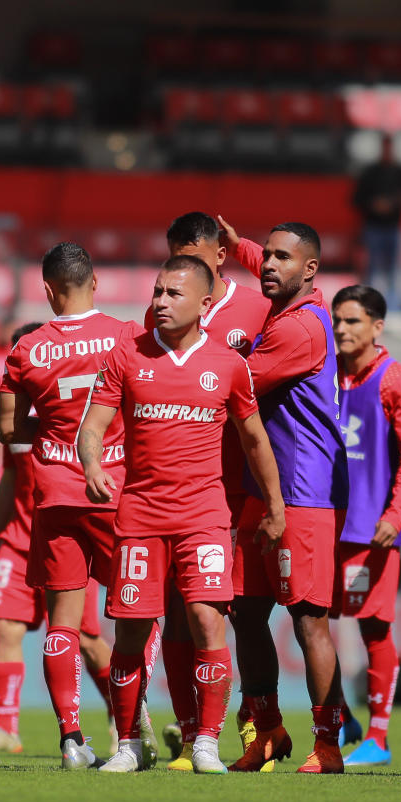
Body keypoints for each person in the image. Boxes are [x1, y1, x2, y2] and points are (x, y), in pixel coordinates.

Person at [79, 256, 285, 774]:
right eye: (157, 291)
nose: (160, 302)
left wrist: (276, 506)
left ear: (204, 304)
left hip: (204, 517)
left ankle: (206, 744)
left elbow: (255, 439)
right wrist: (92, 464)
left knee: (205, 623)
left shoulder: (229, 365)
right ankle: (129, 744)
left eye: (173, 293)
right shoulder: (127, 356)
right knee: (130, 632)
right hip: (140, 516)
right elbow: (92, 425)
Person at [0, 242, 157, 770]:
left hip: (55, 493)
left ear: (47, 290)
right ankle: (131, 727)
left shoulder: (27, 350)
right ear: (94, 283)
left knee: (63, 624)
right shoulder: (127, 336)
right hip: (116, 491)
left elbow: (8, 429)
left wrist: (53, 433)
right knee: (141, 612)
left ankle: (71, 738)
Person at [217, 217, 350, 774]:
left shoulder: (301, 329)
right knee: (245, 611)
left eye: (281, 259)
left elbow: (235, 380)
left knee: (307, 620)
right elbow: (267, 262)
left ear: (310, 270)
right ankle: (269, 730)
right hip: (262, 488)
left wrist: (179, 361)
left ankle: (328, 745)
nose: (268, 265)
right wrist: (236, 246)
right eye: (265, 256)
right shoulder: (287, 303)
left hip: (301, 491)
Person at [153, 211, 272, 771]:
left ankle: (257, 732)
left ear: (219, 256)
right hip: (183, 492)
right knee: (180, 614)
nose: (182, 274)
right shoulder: (166, 316)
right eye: (174, 261)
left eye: (194, 259)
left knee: (238, 616)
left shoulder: (258, 309)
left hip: (241, 490)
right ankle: (190, 729)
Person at [0, 322, 117, 756]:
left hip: (67, 536)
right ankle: (6, 728)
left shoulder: (75, 419)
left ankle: (120, 712)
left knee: (85, 638)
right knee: (7, 628)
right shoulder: (15, 426)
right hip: (18, 538)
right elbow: (12, 476)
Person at [330, 285, 401, 766]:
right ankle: (342, 717)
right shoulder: (325, 376)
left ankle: (378, 739)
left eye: (353, 321)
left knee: (375, 631)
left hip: (370, 530)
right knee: (312, 623)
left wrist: (396, 515)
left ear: (377, 327)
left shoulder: (393, 380)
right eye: (338, 321)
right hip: (322, 525)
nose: (342, 329)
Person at [351, 135, 401, 314]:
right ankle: (370, 306)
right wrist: (374, 204)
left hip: (394, 228)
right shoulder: (370, 173)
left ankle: (393, 309)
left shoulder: (400, 173)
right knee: (372, 269)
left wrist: (392, 204)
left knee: (395, 270)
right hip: (373, 228)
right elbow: (356, 200)